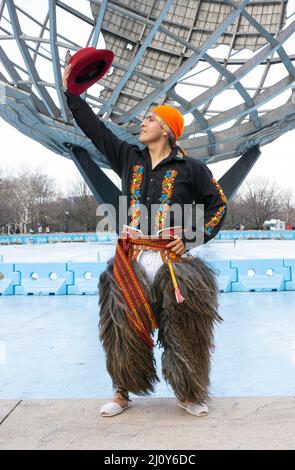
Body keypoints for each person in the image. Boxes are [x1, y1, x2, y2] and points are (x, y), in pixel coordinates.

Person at [63, 64, 228, 417]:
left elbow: (219, 205)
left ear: (167, 129)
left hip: (174, 264)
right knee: (120, 325)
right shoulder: (128, 158)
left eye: (151, 119)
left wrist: (193, 237)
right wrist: (73, 95)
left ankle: (187, 393)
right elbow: (94, 130)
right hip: (132, 259)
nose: (143, 122)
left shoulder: (191, 169)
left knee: (183, 329)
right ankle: (122, 393)